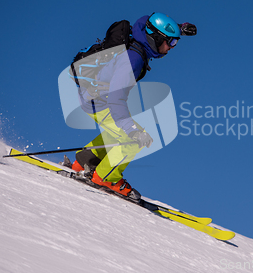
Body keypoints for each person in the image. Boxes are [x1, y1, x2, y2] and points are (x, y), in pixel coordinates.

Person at [66, 13, 196, 202]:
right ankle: (105, 177)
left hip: (92, 94)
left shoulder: (140, 33)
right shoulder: (134, 59)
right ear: (156, 38)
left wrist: (178, 27)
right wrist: (133, 130)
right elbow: (116, 100)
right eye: (170, 42)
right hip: (98, 101)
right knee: (132, 139)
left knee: (117, 131)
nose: (170, 48)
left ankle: (85, 161)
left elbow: (147, 19)